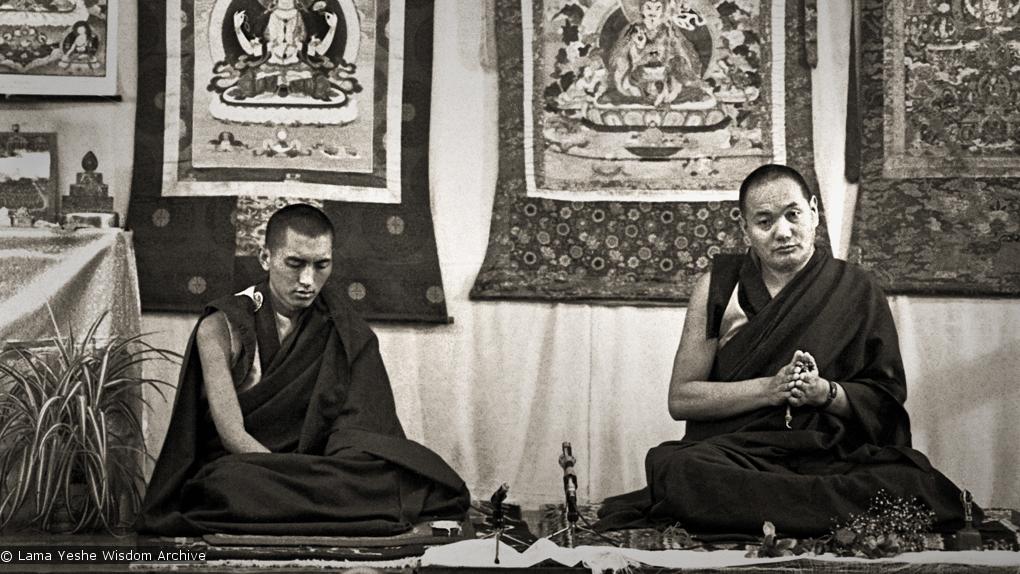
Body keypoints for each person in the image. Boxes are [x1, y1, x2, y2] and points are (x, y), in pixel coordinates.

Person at [597, 164, 976, 537]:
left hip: (831, 455)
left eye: (793, 215)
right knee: (680, 467)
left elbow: (885, 404)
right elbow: (682, 399)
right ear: (745, 229)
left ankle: (759, 516)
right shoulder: (718, 287)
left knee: (911, 479)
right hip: (739, 455)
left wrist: (825, 393)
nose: (783, 232)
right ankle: (826, 517)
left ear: (813, 212)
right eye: (764, 222)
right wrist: (771, 388)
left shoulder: (857, 289)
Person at [138, 204, 470, 535]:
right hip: (252, 469)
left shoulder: (341, 326)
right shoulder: (220, 327)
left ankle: (303, 504)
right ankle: (330, 506)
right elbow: (232, 435)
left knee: (389, 474)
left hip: (317, 468)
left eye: (321, 265)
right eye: (295, 264)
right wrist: (292, 475)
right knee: (225, 485)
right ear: (266, 258)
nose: (308, 281)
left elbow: (364, 427)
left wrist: (323, 471)